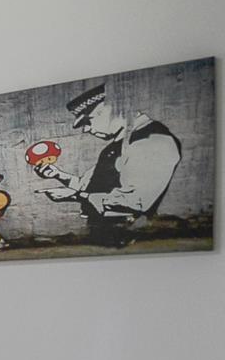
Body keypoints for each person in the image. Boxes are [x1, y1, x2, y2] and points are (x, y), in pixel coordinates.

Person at [34, 84, 182, 242]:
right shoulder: (118, 146)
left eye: (88, 121)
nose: (86, 129)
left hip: (132, 238)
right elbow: (89, 186)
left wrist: (75, 196)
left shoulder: (153, 140)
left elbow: (136, 201)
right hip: (111, 238)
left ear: (110, 110)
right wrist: (58, 175)